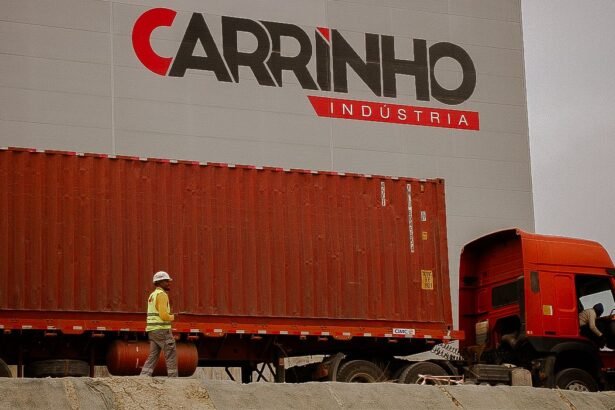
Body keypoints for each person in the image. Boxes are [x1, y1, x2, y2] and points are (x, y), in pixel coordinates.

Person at [140, 271, 178, 377]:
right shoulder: (162, 295)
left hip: (152, 330)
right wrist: (174, 317)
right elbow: (164, 316)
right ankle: (173, 379)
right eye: (166, 281)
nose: (168, 283)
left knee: (153, 355)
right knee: (171, 353)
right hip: (162, 330)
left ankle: (144, 377)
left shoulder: (152, 295)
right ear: (159, 282)